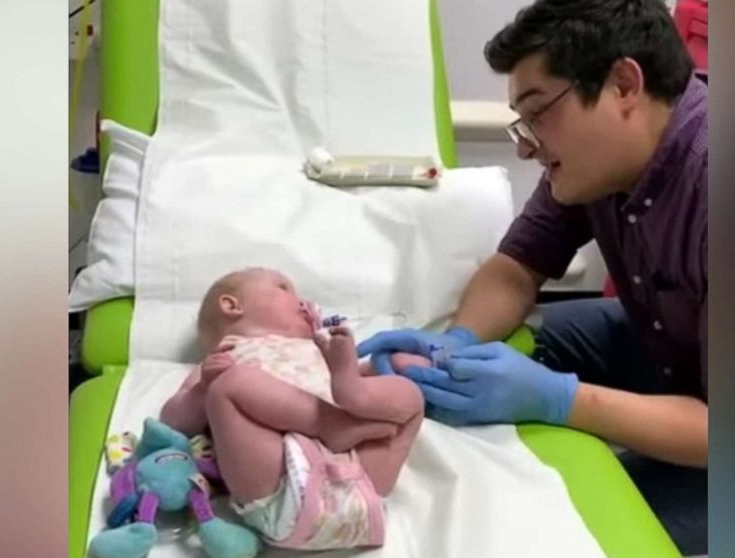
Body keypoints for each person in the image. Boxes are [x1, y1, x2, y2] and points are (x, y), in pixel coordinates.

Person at [357, 0, 707, 553]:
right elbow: (517, 265)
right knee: (531, 343)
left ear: (623, 85)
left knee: (564, 526)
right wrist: (455, 343)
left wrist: (561, 402)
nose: (525, 145)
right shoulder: (599, 163)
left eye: (539, 113)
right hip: (679, 349)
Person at [161, 267, 425, 550]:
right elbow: (172, 421)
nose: (303, 301)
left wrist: (385, 367)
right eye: (284, 288)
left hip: (363, 480)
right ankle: (330, 424)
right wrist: (203, 389)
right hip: (281, 489)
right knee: (230, 385)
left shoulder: (315, 351)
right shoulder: (223, 358)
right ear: (232, 306)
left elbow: (353, 384)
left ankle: (353, 396)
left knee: (409, 395)